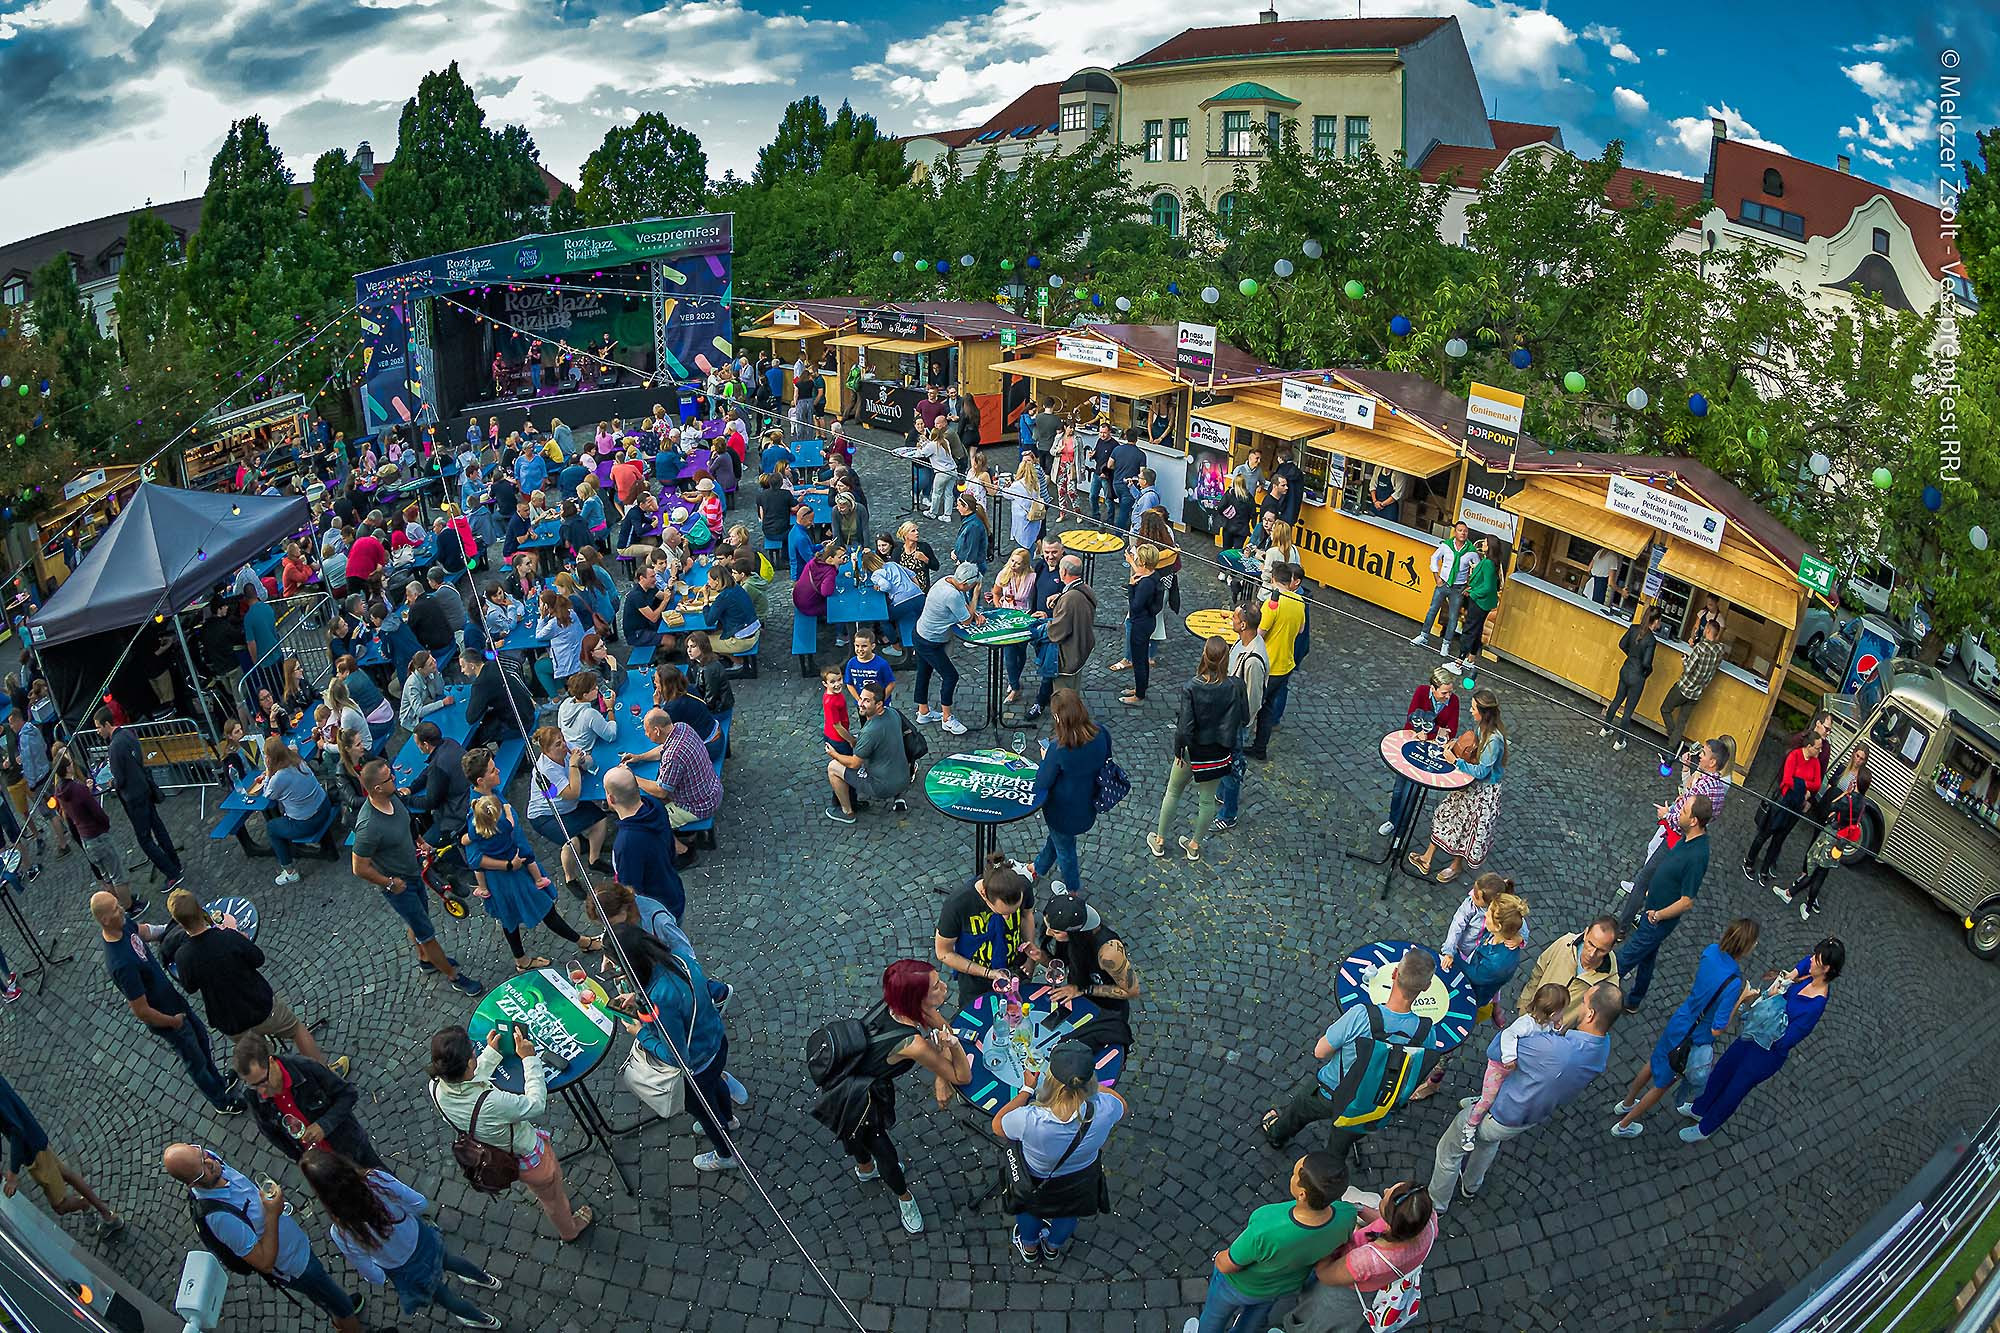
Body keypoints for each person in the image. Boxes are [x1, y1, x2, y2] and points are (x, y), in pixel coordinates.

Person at [1427, 982, 1621, 1210]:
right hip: (1531, 1114)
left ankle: (1436, 1205)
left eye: (1584, 1002)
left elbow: (1496, 1050)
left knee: (1450, 1149)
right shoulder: (1602, 1049)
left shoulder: (1553, 1050)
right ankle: (1471, 1185)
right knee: (1489, 1142)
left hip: (1503, 1111)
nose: (1578, 1006)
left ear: (1590, 1014)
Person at [816, 960, 972, 1235]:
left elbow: (942, 1029)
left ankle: (865, 1169)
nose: (945, 987)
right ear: (916, 998)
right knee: (884, 1152)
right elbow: (962, 1076)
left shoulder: (897, 1005)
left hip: (845, 1084)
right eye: (936, 987)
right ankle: (904, 1198)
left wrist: (940, 1074)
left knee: (855, 1136)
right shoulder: (912, 1044)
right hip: (859, 1099)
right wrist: (955, 1048)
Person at [1261, 948, 1437, 1190]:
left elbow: (1320, 1051)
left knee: (1299, 1109)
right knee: (1338, 1147)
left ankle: (1276, 1135)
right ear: (1426, 988)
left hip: (1331, 1090)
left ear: (1394, 973)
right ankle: (1325, 1180)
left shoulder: (1361, 1015)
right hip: (1368, 1106)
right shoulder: (1427, 1032)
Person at [164, 1143, 364, 1332]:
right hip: (295, 1266)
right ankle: (344, 1316)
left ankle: (335, 1305)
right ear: (193, 1183)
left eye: (202, 1154)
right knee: (341, 1306)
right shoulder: (220, 1219)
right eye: (202, 1169)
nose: (210, 1162)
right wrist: (272, 1214)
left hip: (295, 1244)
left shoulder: (211, 1162)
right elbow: (264, 1263)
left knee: (327, 1296)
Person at [301, 1151, 503, 1330]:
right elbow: (419, 1203)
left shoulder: (342, 1232)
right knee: (449, 1259)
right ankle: (487, 1280)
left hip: (404, 1268)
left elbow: (371, 1273)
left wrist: (382, 1270)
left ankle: (484, 1320)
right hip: (421, 1238)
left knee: (445, 1297)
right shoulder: (376, 1179)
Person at [427, 1027, 593, 1240]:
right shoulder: (493, 1103)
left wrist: (491, 1053)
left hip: (500, 1152)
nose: (475, 1052)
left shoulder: (435, 1087)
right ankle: (569, 1230)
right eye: (472, 1051)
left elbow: (467, 1081)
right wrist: (530, 1059)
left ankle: (546, 1198)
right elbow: (535, 1104)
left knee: (543, 1191)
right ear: (469, 1063)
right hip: (529, 1157)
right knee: (553, 1198)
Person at [606, 923, 739, 1170]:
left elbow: (676, 1057)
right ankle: (729, 1119)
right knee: (716, 1084)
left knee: (705, 1114)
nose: (610, 970)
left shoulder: (659, 998)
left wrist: (640, 1034)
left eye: (615, 966)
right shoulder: (678, 958)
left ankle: (725, 1154)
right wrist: (638, 998)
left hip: (697, 1067)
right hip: (715, 1042)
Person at [92, 892, 240, 1113]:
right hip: (167, 1018)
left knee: (201, 1040)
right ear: (104, 919)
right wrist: (173, 1022)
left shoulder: (122, 924)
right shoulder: (121, 964)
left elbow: (143, 931)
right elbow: (141, 1010)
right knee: (195, 1060)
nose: (122, 909)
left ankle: (219, 1082)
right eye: (115, 908)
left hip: (173, 1002)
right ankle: (220, 1101)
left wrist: (175, 930)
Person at [1681, 939, 1841, 1142]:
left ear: (1826, 968)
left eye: (1816, 959)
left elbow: (1788, 1039)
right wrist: (1790, 977)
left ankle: (1706, 1128)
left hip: (1767, 1053)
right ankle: (1700, 1107)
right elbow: (1801, 966)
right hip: (1755, 1034)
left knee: (1735, 1089)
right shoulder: (1810, 973)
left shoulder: (1815, 1007)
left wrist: (1773, 1004)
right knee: (1723, 1068)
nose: (1810, 959)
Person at [1611, 918, 1758, 1138]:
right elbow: (1718, 1028)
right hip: (1693, 1037)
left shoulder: (1711, 951)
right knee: (1663, 1083)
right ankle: (1624, 1125)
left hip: (1680, 1020)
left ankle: (1627, 1102)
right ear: (1746, 946)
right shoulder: (1734, 982)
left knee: (1654, 1061)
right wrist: (1741, 1000)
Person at [1181, 1152, 1357, 1333]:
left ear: (1302, 1194)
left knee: (1215, 1316)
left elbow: (1227, 1265)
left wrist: (1219, 1257)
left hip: (1238, 1286)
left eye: (1294, 1175)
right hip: (1282, 1286)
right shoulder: (1347, 1215)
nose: (1291, 1177)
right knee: (1252, 1320)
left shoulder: (1266, 1225)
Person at [170, 886, 343, 1069]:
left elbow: (190, 987)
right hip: (259, 1005)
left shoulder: (183, 956)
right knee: (296, 1030)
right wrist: (239, 938)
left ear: (180, 923)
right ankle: (326, 1075)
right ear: (200, 910)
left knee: (263, 1059)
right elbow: (258, 959)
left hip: (230, 1021)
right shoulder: (228, 937)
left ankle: (281, 1083)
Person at [350, 760, 482, 996]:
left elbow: (408, 823)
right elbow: (359, 868)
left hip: (413, 873)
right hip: (399, 886)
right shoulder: (368, 826)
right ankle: (454, 976)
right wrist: (390, 883)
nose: (395, 779)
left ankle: (426, 959)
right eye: (389, 778)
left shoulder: (393, 799)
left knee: (418, 921)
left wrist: (419, 841)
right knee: (426, 933)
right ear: (377, 788)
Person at [992, 1040, 1126, 1267]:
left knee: (1029, 1210)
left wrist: (1026, 1090)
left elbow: (998, 1125)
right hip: (1081, 1177)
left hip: (1036, 1178)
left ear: (1051, 1080)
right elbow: (1121, 1105)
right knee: (1069, 1212)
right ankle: (1052, 1248)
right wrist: (1091, 1089)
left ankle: (1030, 1248)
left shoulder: (1030, 1119)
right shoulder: (1105, 1108)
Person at [1277, 1179, 1438, 1333]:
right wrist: (1359, 1209)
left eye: (1387, 1196)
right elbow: (1387, 1222)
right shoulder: (1428, 1220)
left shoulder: (1366, 1261)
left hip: (1346, 1292)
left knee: (1314, 1319)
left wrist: (1328, 1236)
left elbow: (1325, 1275)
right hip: (1382, 1280)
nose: (1385, 1190)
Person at [1147, 636, 1244, 861]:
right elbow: (1244, 718)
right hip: (1219, 753)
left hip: (1192, 751)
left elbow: (1184, 728)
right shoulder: (1235, 686)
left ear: (1204, 656)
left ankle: (1159, 841)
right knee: (1207, 800)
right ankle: (1194, 845)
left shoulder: (1192, 687)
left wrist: (1178, 751)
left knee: (1173, 792)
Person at [1617, 793, 1713, 1011]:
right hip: (1652, 910)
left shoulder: (1697, 856)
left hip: (1657, 920)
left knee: (1622, 960)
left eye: (1684, 811)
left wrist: (1658, 915)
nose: (1678, 813)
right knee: (1647, 958)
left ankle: (1598, 998)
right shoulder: (1688, 837)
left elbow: (1687, 901)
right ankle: (1634, 1000)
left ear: (1694, 821)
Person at [231, 1034, 382, 1169]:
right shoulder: (253, 1097)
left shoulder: (305, 1068)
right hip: (323, 1166)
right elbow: (273, 1135)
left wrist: (323, 1126)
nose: (261, 1091)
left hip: (352, 1148)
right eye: (253, 1085)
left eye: (263, 1081)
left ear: (272, 1062)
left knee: (387, 1186)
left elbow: (348, 1094)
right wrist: (302, 1161)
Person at [1407, 687, 1508, 883]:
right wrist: (1456, 744)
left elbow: (1482, 771)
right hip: (1470, 784)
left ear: (1484, 712)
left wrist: (1455, 761)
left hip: (1483, 792)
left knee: (1467, 828)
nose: (1470, 711)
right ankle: (1427, 857)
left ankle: (1455, 866)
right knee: (1446, 813)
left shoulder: (1494, 740)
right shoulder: (1481, 728)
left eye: (1473, 708)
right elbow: (1472, 750)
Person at [0, 1071, 121, 1234]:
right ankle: (108, 1215)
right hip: (36, 1136)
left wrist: (13, 1174)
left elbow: (16, 1130)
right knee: (66, 1174)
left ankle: (85, 1205)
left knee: (60, 1206)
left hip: (33, 1152)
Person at [1027, 890, 1138, 1051]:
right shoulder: (1074, 938)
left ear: (1074, 932)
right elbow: (1068, 963)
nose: (1047, 933)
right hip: (1078, 1001)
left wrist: (1082, 989)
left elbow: (1131, 990)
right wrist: (1042, 958)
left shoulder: (1109, 952)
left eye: (1056, 931)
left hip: (1107, 1013)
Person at [1030, 689, 1110, 890]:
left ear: (1058, 717)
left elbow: (1042, 782)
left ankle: (1072, 892)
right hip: (1088, 805)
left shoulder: (1058, 749)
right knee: (1058, 840)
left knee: (1065, 850)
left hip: (1062, 813)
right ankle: (1038, 868)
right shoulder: (1101, 733)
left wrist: (1045, 758)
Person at [933, 855, 1037, 1008]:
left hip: (1016, 968)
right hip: (976, 981)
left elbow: (1027, 916)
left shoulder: (1022, 886)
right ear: (984, 894)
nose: (1008, 918)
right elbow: (943, 953)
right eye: (1002, 913)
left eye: (1013, 911)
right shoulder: (958, 905)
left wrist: (1030, 957)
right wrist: (989, 973)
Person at [97, 710, 183, 888]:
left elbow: (120, 779)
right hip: (144, 788)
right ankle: (175, 863)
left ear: (107, 724)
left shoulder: (114, 747)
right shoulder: (128, 734)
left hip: (134, 797)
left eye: (99, 727)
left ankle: (171, 873)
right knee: (159, 828)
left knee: (145, 840)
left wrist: (113, 783)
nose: (98, 731)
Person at [524, 726, 612, 892]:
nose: (564, 745)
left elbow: (590, 763)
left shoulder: (566, 748)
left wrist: (583, 760)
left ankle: (594, 859)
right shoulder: (546, 770)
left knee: (600, 819)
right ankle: (570, 878)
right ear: (546, 751)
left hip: (567, 806)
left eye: (563, 740)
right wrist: (573, 765)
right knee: (572, 842)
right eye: (558, 744)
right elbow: (572, 793)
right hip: (545, 815)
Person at [1378, 665, 1460, 838]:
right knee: (1398, 790)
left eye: (1450, 692)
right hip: (1410, 746)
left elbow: (1451, 731)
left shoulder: (1454, 701)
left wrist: (1428, 732)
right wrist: (1437, 730)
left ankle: (1400, 833)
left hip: (1430, 753)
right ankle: (1392, 821)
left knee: (1410, 795)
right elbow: (1412, 718)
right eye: (1444, 693)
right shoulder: (1421, 692)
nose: (1448, 696)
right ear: (1433, 688)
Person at [50, 754, 138, 909]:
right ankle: (129, 907)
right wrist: (105, 823)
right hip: (97, 834)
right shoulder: (78, 789)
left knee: (106, 877)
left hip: (85, 837)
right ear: (68, 768)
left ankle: (117, 905)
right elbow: (96, 812)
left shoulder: (60, 791)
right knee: (117, 876)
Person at [602, 765, 688, 921]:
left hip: (657, 913)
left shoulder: (626, 843)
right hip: (673, 890)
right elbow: (670, 848)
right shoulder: (654, 806)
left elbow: (630, 891)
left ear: (611, 799)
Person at [1744, 731, 1825, 887]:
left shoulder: (1815, 763)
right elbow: (1787, 780)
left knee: (1779, 839)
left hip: (1796, 806)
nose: (1820, 751)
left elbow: (1817, 784)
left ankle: (1765, 868)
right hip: (1782, 803)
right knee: (1765, 833)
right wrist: (1805, 787)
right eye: (1817, 748)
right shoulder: (1794, 756)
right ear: (1809, 746)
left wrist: (1801, 784)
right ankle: (1749, 860)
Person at [912, 561, 983, 736]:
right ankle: (947, 718)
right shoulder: (952, 595)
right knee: (950, 676)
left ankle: (923, 712)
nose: (973, 587)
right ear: (965, 584)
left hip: (921, 633)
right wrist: (976, 595)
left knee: (924, 672)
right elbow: (966, 620)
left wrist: (974, 613)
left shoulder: (947, 580)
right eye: (972, 585)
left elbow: (962, 607)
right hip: (930, 641)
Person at [826, 682, 911, 824]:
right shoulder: (893, 713)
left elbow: (854, 764)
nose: (860, 703)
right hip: (903, 778)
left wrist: (833, 754)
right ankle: (898, 798)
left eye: (867, 701)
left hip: (882, 787)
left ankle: (847, 812)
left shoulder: (870, 731)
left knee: (833, 767)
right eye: (861, 698)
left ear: (879, 705)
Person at [1249, 564, 1306, 761]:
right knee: (1267, 710)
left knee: (1251, 707)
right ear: (1290, 581)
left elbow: (1259, 634)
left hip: (1269, 665)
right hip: (1286, 663)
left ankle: (1237, 746)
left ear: (1273, 579)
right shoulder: (1299, 601)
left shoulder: (1273, 603)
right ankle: (1260, 748)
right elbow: (1300, 630)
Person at [1034, 555, 1097, 716]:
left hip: (1068, 655)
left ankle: (1065, 729)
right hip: (1080, 651)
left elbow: (1058, 631)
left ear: (1063, 572)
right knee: (1073, 694)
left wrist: (1037, 628)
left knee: (1064, 701)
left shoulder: (1070, 598)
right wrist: (1060, 597)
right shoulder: (1084, 589)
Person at [1659, 618, 1727, 756]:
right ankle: (1671, 748)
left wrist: (1685, 660)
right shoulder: (1720, 650)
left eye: (1705, 628)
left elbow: (1688, 670)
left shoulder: (1700, 648)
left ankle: (1673, 739)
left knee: (1665, 709)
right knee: (1682, 722)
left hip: (1684, 688)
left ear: (1708, 630)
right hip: (1697, 693)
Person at [1598, 608, 1663, 750]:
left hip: (1626, 669)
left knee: (1616, 700)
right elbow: (1647, 663)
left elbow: (1622, 644)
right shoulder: (1651, 640)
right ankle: (1620, 742)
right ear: (1656, 621)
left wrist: (1631, 656)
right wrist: (1647, 672)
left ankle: (1605, 728)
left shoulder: (1634, 628)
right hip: (1637, 676)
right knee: (1628, 711)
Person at [1411, 521, 1477, 653]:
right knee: (1432, 610)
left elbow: (1478, 570)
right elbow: (1434, 558)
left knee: (1453, 617)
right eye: (1460, 530)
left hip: (1458, 588)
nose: (1463, 533)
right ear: (1455, 532)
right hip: (1443, 583)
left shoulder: (1471, 552)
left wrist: (1470, 586)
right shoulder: (1446, 546)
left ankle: (1446, 643)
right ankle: (1423, 635)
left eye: (1465, 531)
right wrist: (1436, 576)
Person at [1114, 544, 1166, 707]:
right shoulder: (1154, 576)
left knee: (1139, 661)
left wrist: (1131, 586)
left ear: (1143, 561)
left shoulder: (1144, 584)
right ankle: (1140, 688)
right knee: (1142, 658)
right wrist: (1131, 563)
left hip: (1140, 624)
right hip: (1149, 621)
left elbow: (1135, 606)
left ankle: (1139, 696)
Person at [1455, 534, 1503, 669]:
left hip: (1480, 602)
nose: (1483, 544)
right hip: (1484, 602)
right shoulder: (1489, 561)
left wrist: (1473, 593)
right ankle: (1471, 658)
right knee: (1477, 629)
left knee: (1469, 629)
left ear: (1490, 546)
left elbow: (1488, 587)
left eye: (1485, 542)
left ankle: (1459, 661)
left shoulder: (1488, 563)